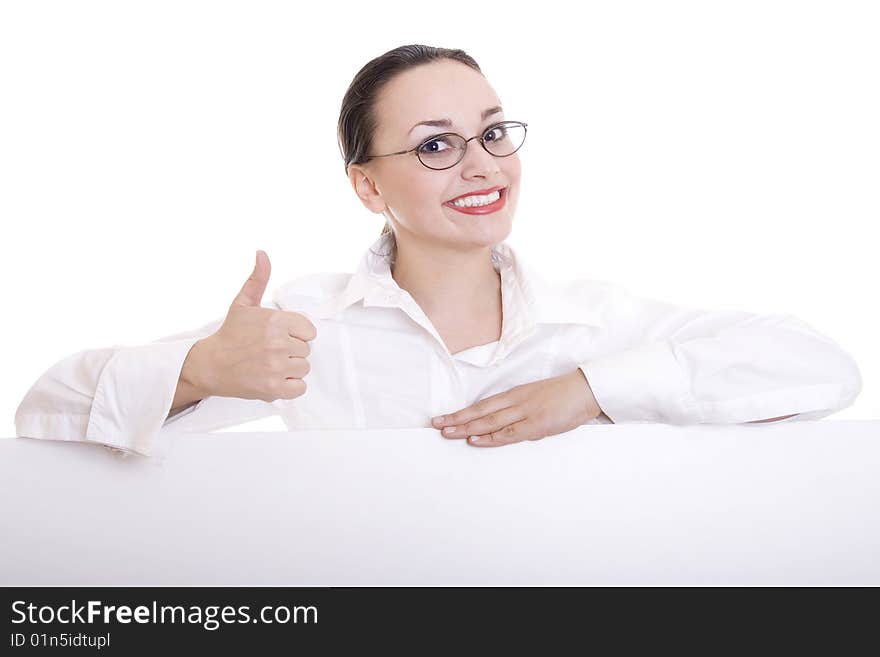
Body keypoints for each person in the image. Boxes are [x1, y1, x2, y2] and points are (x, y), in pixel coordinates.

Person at [14, 44, 863, 458]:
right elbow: (45, 411)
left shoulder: (595, 326)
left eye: (493, 132)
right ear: (368, 186)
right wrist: (201, 368)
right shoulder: (309, 327)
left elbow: (820, 366)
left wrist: (590, 391)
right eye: (435, 145)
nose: (482, 163)